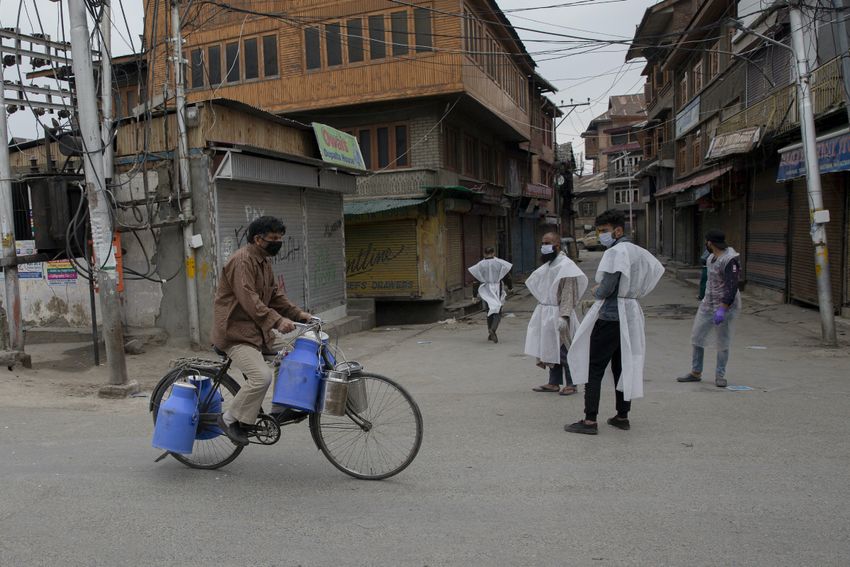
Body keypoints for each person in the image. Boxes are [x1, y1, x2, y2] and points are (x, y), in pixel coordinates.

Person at [212, 216, 311, 446]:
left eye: (280, 239)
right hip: (236, 334)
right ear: (258, 239)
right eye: (274, 238)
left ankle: (279, 409)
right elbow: (249, 299)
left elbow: (275, 295)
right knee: (261, 377)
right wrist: (277, 321)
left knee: (292, 353)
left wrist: (299, 314)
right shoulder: (242, 261)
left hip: (258, 332)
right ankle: (229, 419)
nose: (278, 243)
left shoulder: (264, 261)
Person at [566, 209, 664, 435]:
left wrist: (597, 289)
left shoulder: (616, 252)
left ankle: (589, 420)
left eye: (604, 231)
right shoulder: (637, 252)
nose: (601, 235)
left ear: (618, 230)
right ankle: (622, 415)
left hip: (611, 315)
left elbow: (607, 288)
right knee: (622, 366)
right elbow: (655, 271)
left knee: (595, 367)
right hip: (630, 313)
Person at [676, 229, 742, 388]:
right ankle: (695, 372)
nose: (706, 244)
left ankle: (720, 375)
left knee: (722, 341)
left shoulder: (729, 260)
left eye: (707, 242)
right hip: (707, 304)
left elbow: (732, 286)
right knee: (697, 336)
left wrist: (723, 308)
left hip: (725, 306)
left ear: (710, 243)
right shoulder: (711, 258)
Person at [525, 232, 588, 396]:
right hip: (546, 312)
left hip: (559, 313)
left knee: (564, 349)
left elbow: (568, 293)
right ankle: (553, 382)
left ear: (557, 245)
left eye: (547, 243)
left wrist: (564, 316)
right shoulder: (549, 265)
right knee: (550, 348)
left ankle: (572, 383)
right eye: (543, 243)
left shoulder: (566, 266)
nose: (544, 246)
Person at [469, 247, 513, 343]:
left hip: (485, 289)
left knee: (489, 310)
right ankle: (492, 329)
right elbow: (507, 277)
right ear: (493, 253)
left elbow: (476, 281)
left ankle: (490, 333)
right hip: (497, 288)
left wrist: (474, 295)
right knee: (497, 310)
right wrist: (510, 287)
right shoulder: (500, 263)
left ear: (484, 253)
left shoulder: (480, 265)